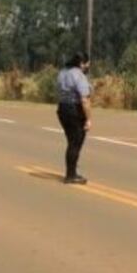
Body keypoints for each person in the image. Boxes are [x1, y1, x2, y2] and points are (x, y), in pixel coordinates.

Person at [56, 52, 93, 184]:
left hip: (62, 108)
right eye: (87, 64)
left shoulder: (62, 73)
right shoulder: (78, 75)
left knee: (72, 141)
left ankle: (72, 170)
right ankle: (71, 174)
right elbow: (84, 99)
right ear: (82, 63)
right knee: (75, 142)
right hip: (74, 110)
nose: (87, 67)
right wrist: (88, 119)